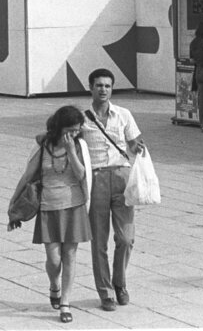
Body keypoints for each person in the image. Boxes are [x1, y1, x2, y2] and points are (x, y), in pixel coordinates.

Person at [9, 105, 92, 324]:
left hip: (74, 206)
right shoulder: (44, 146)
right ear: (58, 128)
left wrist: (72, 150)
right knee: (54, 259)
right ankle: (54, 285)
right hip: (48, 207)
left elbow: (82, 174)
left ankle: (65, 302)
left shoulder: (79, 146)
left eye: (76, 130)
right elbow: (28, 175)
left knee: (70, 256)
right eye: (68, 131)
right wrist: (13, 202)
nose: (73, 134)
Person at [80, 68, 147, 312]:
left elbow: (134, 141)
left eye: (107, 86)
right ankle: (106, 292)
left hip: (121, 177)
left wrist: (137, 147)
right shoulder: (81, 118)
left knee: (126, 238)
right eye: (99, 85)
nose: (103, 90)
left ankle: (120, 282)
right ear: (90, 87)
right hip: (96, 180)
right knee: (99, 240)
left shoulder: (123, 115)